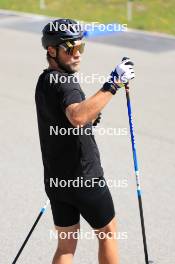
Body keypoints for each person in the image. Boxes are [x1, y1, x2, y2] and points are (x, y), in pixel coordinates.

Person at [35, 18, 135, 264]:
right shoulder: (67, 83)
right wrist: (113, 84)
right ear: (51, 50)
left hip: (57, 179)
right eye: (70, 48)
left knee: (66, 247)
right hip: (85, 178)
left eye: (81, 47)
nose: (77, 54)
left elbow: (69, 116)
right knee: (109, 234)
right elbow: (77, 115)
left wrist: (89, 116)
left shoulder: (45, 80)